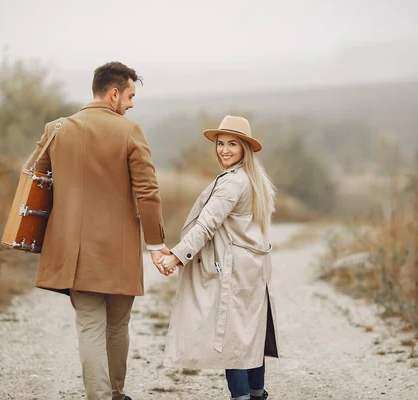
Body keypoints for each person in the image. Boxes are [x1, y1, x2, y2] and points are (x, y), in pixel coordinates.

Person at [21, 61, 172, 400]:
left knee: (90, 327)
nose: (132, 103)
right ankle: (116, 394)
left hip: (72, 252)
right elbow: (147, 192)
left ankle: (100, 397)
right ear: (114, 93)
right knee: (117, 326)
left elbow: (35, 182)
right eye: (130, 96)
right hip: (117, 253)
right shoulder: (130, 131)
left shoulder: (56, 129)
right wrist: (156, 244)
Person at [159, 115, 280, 400]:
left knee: (232, 342)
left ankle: (241, 397)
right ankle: (256, 394)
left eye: (232, 144)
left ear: (244, 149)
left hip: (235, 270)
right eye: (220, 144)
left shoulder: (232, 183)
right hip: (252, 268)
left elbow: (206, 224)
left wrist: (177, 256)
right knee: (249, 335)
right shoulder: (255, 178)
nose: (224, 150)